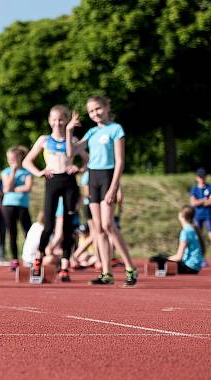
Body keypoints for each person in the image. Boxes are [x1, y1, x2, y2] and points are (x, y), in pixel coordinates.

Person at [67, 95, 138, 286]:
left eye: (98, 109)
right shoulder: (91, 133)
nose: (95, 113)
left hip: (108, 177)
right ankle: (106, 272)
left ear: (106, 107)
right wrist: (68, 130)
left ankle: (130, 267)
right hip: (93, 179)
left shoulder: (116, 129)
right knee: (97, 228)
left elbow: (120, 161)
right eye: (91, 111)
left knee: (108, 225)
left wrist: (114, 187)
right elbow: (70, 152)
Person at [24, 105, 87, 282]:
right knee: (49, 224)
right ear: (49, 121)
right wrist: (39, 172)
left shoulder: (72, 139)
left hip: (69, 182)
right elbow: (27, 161)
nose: (57, 123)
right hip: (52, 181)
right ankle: (38, 258)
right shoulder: (44, 140)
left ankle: (65, 265)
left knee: (68, 225)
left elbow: (88, 161)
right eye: (54, 120)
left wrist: (79, 168)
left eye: (61, 120)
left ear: (66, 121)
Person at [1, 146, 33, 271]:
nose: (11, 162)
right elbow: (6, 188)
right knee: (12, 233)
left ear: (19, 158)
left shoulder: (26, 172)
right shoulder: (6, 172)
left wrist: (14, 189)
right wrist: (13, 173)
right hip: (8, 205)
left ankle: (28, 258)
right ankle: (14, 260)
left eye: (13, 159)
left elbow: (28, 187)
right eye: (9, 159)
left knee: (28, 232)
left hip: (22, 206)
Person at [149, 206, 205, 274]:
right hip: (195, 268)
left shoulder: (185, 231)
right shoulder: (194, 229)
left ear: (182, 215)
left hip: (188, 268)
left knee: (157, 259)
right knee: (162, 257)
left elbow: (179, 257)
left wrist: (163, 260)